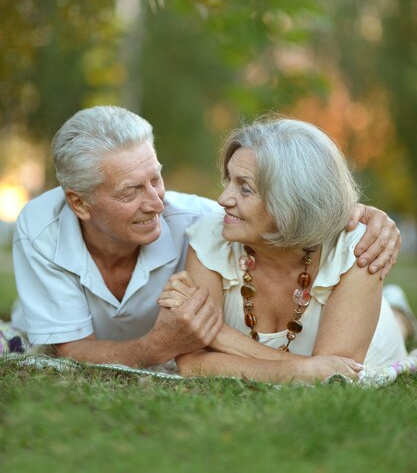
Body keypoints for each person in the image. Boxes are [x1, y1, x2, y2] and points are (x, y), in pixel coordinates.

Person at [11, 106, 401, 377]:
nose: (157, 202)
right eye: (131, 191)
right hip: (96, 338)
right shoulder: (42, 230)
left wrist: (366, 215)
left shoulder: (200, 219)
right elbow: (78, 352)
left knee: (389, 322)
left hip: (358, 322)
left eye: (156, 178)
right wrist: (161, 346)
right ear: (79, 202)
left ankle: (399, 313)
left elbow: (339, 370)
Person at [157, 116, 414, 383]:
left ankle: (398, 317)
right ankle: (396, 308)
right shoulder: (211, 235)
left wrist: (218, 335)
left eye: (244, 189)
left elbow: (336, 377)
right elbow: (191, 362)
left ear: (291, 201)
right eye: (228, 181)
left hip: (377, 342)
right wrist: (301, 371)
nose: (223, 199)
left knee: (392, 324)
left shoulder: (358, 248)